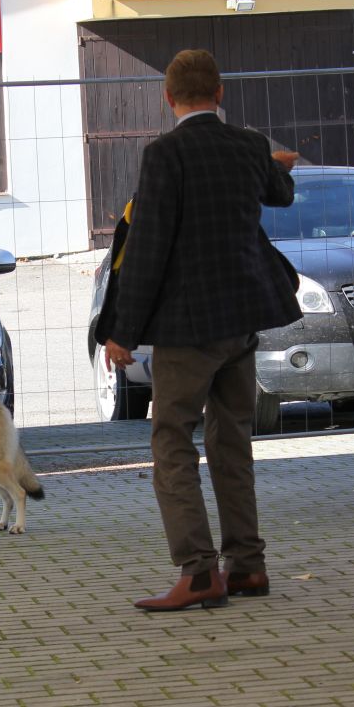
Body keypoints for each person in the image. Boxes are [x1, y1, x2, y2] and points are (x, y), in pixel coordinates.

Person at [102, 49, 302, 611]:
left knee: (171, 440)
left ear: (169, 98)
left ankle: (197, 572)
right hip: (242, 321)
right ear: (220, 93)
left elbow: (148, 248)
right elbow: (280, 195)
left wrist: (122, 329)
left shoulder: (165, 154)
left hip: (188, 329)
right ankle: (248, 565)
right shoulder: (247, 145)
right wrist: (274, 162)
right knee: (231, 440)